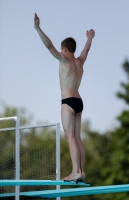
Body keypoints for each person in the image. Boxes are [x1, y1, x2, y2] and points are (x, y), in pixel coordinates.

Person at [34, 13, 95, 182]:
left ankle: (76, 171)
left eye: (62, 49)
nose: (60, 51)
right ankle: (81, 172)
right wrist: (90, 38)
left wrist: (38, 28)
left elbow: (49, 46)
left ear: (65, 49)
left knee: (70, 136)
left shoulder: (63, 60)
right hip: (79, 101)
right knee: (77, 137)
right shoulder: (79, 62)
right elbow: (86, 49)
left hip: (68, 101)